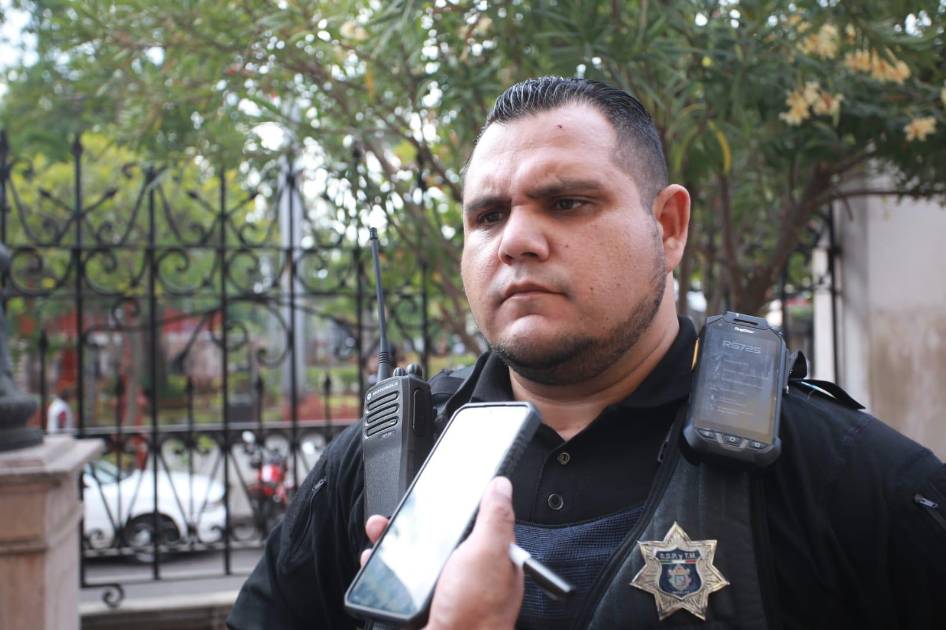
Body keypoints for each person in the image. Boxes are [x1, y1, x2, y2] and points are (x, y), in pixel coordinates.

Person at [227, 77, 946, 629]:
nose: (516, 241)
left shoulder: (840, 475)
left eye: (567, 203)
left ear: (668, 226)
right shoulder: (376, 468)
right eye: (488, 215)